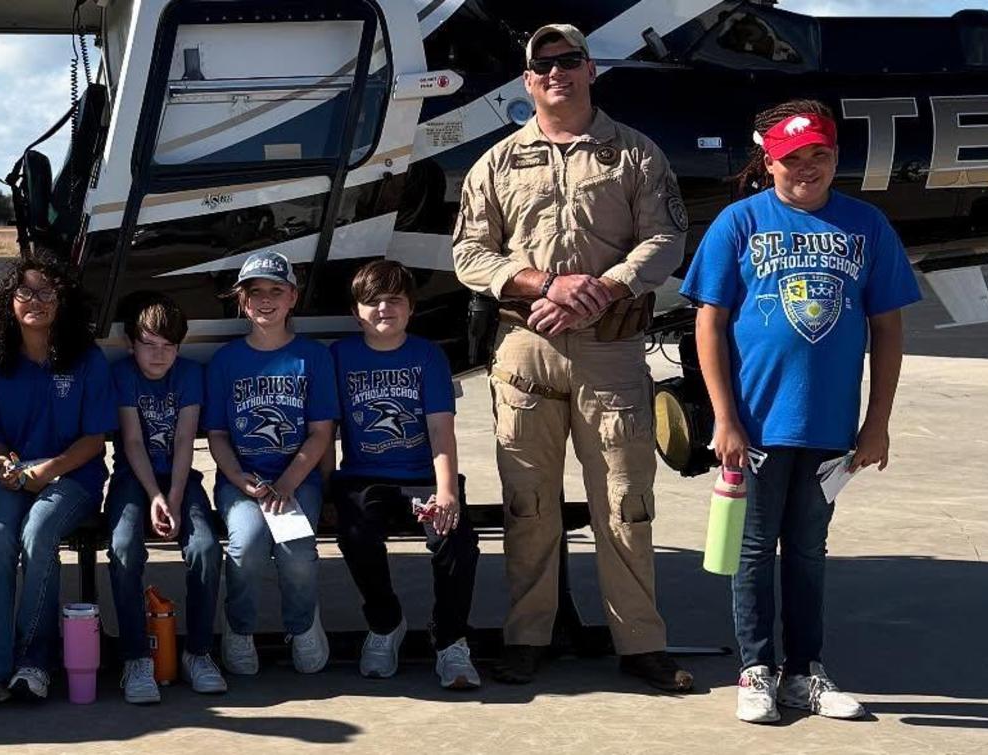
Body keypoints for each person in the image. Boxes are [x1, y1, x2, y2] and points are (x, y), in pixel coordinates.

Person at [450, 23, 693, 691]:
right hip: (525, 350)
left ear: (590, 70)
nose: (557, 71)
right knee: (528, 504)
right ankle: (527, 636)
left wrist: (602, 289)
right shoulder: (496, 163)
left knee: (624, 501)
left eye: (570, 60)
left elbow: (665, 238)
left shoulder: (635, 155)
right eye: (544, 64)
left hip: (609, 349)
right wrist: (544, 285)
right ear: (527, 80)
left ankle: (640, 642)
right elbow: (469, 253)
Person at [681, 100, 921, 723]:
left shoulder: (866, 226)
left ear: (836, 158)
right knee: (754, 548)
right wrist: (724, 418)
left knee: (809, 549)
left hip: (829, 425)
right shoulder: (739, 223)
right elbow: (709, 323)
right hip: (757, 424)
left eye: (819, 155)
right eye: (792, 158)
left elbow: (887, 328)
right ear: (769, 162)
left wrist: (877, 423)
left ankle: (804, 672)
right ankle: (756, 669)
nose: (806, 168)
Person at [0, 258, 116, 716]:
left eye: (47, 293)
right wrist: (5, 464)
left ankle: (34, 663)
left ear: (63, 301)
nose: (35, 301)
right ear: (9, 301)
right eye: (25, 292)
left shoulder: (86, 359)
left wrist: (47, 471)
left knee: (39, 531)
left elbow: (94, 440)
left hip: (74, 475)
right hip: (13, 473)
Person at [327, 260, 481, 688]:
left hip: (424, 476)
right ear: (356, 311)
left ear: (411, 308)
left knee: (456, 542)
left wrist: (447, 492)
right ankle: (385, 624)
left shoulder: (427, 355)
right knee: (355, 534)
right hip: (364, 477)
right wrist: (325, 490)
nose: (383, 309)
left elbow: (440, 430)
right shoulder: (339, 357)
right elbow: (324, 429)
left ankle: (450, 640)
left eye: (394, 300)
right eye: (372, 301)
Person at [204, 251, 338, 677]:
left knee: (296, 552)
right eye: (255, 291)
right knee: (246, 546)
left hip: (297, 479)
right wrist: (237, 477)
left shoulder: (311, 358)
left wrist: (288, 483)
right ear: (242, 301)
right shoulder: (226, 360)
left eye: (276, 291)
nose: (265, 300)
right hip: (241, 479)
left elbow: (321, 432)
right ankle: (239, 628)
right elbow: (217, 434)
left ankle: (302, 625)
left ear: (293, 297)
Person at [105, 292, 226, 703]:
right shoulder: (123, 375)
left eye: (168, 346)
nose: (158, 355)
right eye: (149, 344)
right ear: (130, 344)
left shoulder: (190, 374)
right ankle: (136, 658)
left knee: (206, 548)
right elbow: (133, 442)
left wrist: (173, 497)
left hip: (179, 477)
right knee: (124, 548)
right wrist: (155, 496)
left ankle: (199, 652)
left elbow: (185, 440)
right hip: (132, 478)